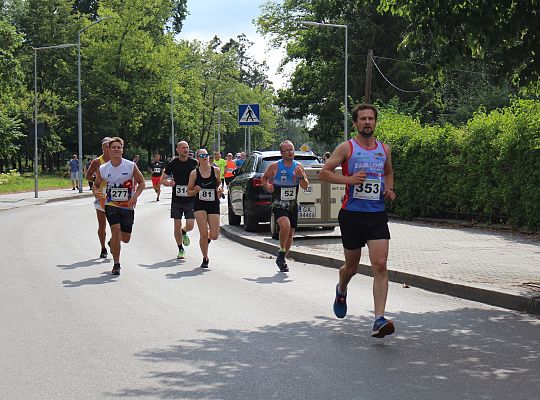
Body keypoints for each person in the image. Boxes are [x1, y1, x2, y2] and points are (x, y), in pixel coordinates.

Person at [319, 103, 397, 338]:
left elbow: (388, 172)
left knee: (380, 265)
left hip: (376, 215)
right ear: (355, 123)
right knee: (351, 268)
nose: (367, 123)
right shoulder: (347, 148)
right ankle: (341, 288)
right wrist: (349, 180)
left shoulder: (384, 149)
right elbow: (324, 172)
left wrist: (389, 189)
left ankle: (378, 319)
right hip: (352, 215)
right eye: (362, 119)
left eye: (371, 119)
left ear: (375, 122)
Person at [93, 137, 145, 275]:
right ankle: (116, 264)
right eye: (113, 147)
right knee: (115, 229)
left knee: (126, 238)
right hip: (111, 204)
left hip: (127, 205)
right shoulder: (104, 168)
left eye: (118, 147)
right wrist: (98, 195)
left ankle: (113, 243)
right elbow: (96, 185)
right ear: (109, 150)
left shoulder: (130, 166)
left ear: (122, 150)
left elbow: (141, 183)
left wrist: (134, 197)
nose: (116, 149)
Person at [261, 140, 309, 272]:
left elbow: (305, 186)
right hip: (278, 203)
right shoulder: (275, 166)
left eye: (292, 149)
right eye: (287, 150)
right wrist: (267, 185)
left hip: (292, 205)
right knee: (285, 226)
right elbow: (264, 178)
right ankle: (281, 250)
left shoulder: (298, 166)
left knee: (290, 233)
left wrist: (300, 177)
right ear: (281, 153)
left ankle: (282, 259)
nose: (290, 152)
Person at [187, 149, 224, 268]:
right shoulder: (194, 173)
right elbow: (188, 192)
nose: (205, 157)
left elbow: (219, 183)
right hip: (200, 205)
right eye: (202, 155)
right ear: (198, 158)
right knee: (202, 233)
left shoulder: (216, 170)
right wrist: (195, 190)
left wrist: (219, 189)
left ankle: (208, 237)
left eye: (206, 155)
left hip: (213, 203)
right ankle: (205, 257)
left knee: (214, 236)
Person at [161, 141, 198, 259]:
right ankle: (180, 249)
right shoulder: (173, 163)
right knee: (176, 224)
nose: (185, 150)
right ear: (177, 150)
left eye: (187, 147)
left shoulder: (194, 163)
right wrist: (168, 183)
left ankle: (184, 231)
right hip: (177, 199)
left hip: (191, 198)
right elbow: (163, 179)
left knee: (191, 225)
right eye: (183, 148)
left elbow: (201, 175)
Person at [86, 137, 112, 258]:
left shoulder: (117, 160)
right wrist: (98, 180)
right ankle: (103, 248)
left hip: (115, 196)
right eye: (106, 146)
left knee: (118, 224)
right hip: (101, 194)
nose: (108, 148)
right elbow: (88, 176)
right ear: (102, 148)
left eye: (110, 146)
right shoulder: (97, 162)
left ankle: (112, 241)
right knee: (102, 224)